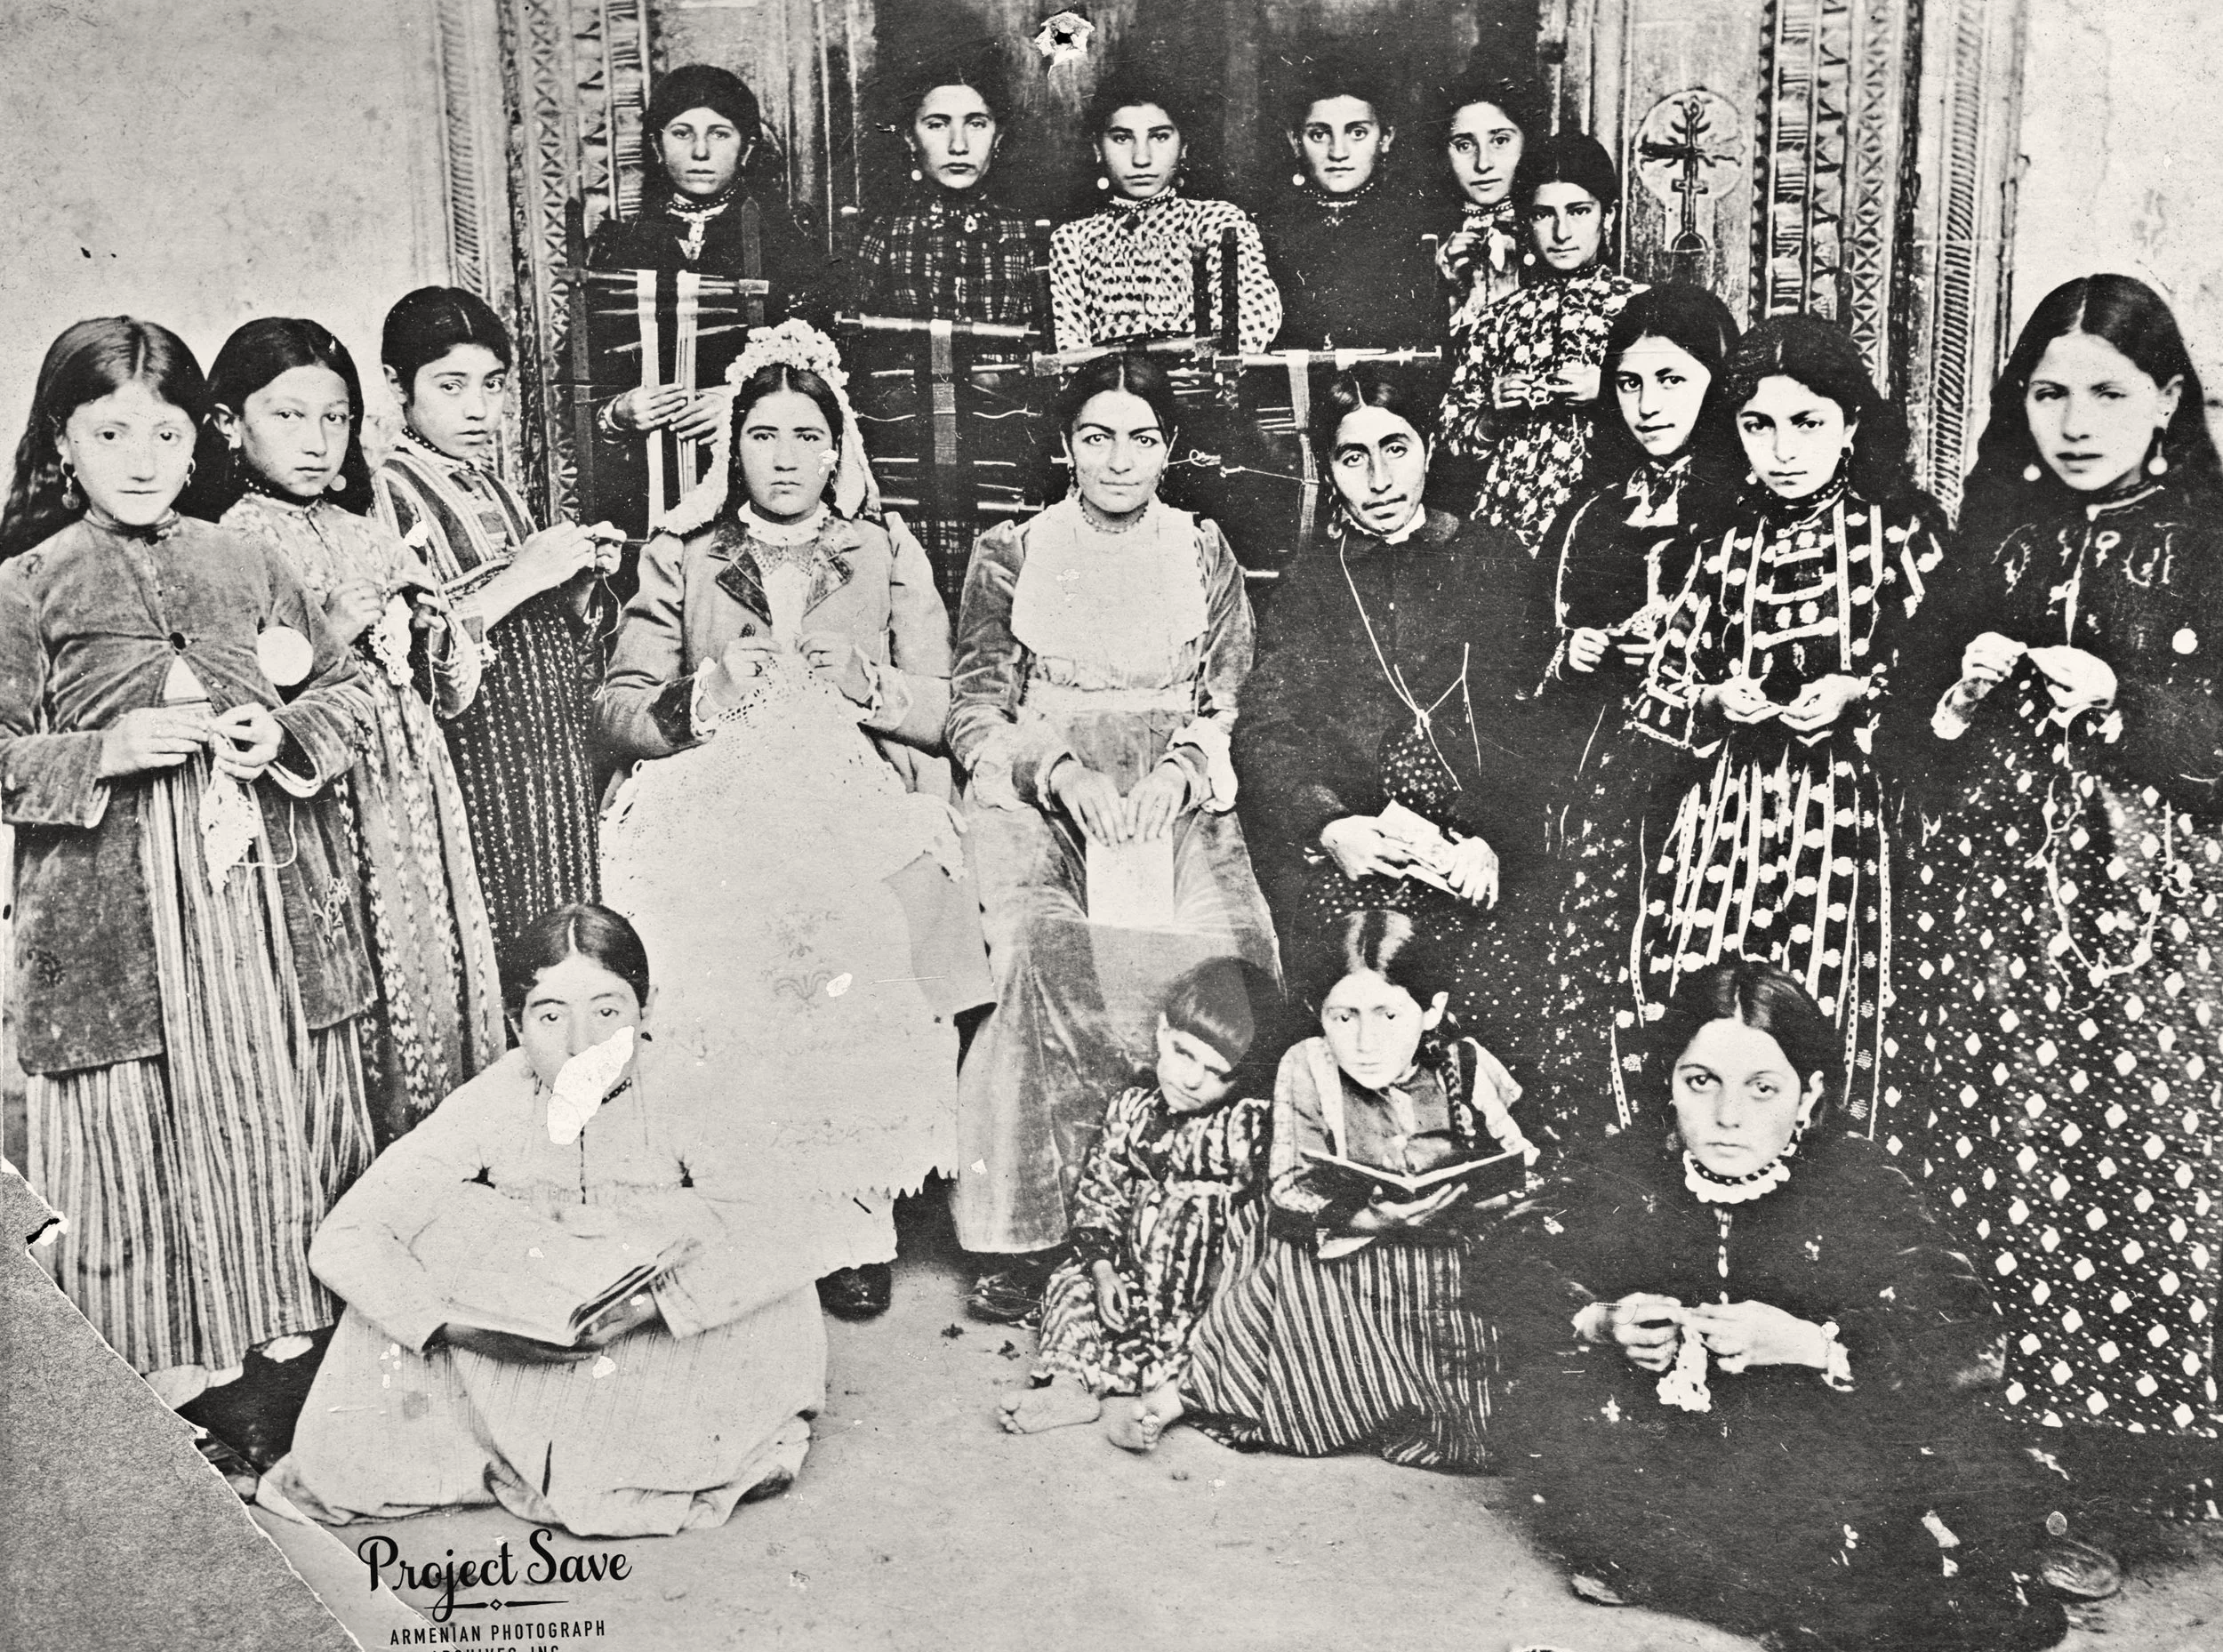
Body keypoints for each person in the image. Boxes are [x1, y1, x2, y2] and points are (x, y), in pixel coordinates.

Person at [0, 318, 376, 1432]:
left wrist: (284, 733)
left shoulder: (245, 560)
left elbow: (349, 691)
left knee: (278, 1114)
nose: (141, 459)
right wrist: (99, 752)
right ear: (62, 441)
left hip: (261, 906)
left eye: (166, 434)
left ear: (197, 441)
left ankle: (285, 1365)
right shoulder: (27, 585)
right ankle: (162, 1395)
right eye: (110, 432)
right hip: (113, 925)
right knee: (133, 1140)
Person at [1479, 958, 2075, 1652]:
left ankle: (1763, 1579)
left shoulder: (1855, 1178)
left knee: (1886, 1502)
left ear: (1809, 1094)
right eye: (1700, 1082)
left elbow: (1968, 1338)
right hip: (1665, 1451)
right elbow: (1503, 1260)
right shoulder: (1630, 1163)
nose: (1727, 1117)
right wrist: (1602, 1321)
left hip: (1808, 1451)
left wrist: (1811, 1345)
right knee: (1579, 1447)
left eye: (1762, 1088)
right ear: (1669, 1082)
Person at [1894, 274, 2223, 1513]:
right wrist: (1957, 693)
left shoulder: (2209, 540)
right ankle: (1991, 1456)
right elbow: (1908, 738)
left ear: (2168, 400)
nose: (2074, 423)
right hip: (1989, 911)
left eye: (2106, 393)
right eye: (2047, 393)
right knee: (1991, 1149)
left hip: (2152, 922)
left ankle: (2126, 1470)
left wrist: (2129, 706)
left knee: (2131, 1152)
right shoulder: (1998, 534)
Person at [598, 320, 989, 1322]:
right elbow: (616, 707)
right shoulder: (684, 553)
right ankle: (737, 1208)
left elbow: (950, 706)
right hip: (712, 785)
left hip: (847, 785)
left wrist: (870, 685)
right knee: (717, 926)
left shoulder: (881, 548)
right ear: (733, 447)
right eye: (763, 435)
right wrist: (705, 692)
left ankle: (852, 1219)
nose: (784, 458)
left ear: (836, 446)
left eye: (806, 437)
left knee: (858, 927)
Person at [257, 905, 830, 1538]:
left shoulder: (691, 1091)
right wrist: (451, 1328)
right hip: (540, 1342)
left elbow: (792, 1229)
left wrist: (652, 1305)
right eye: (551, 1016)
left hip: (664, 1334)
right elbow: (350, 1234)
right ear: (516, 1023)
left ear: (647, 1009)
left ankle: (650, 1450)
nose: (581, 1044)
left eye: (608, 1012)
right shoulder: (497, 1097)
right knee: (440, 1225)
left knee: (743, 1240)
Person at [948, 351, 1279, 1323]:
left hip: (1174, 787)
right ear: (1066, 445)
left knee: (1236, 949)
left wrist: (1182, 769)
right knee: (1036, 951)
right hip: (1041, 792)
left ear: (1170, 448)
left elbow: (1227, 695)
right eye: (1097, 438)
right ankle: (1031, 1230)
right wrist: (1056, 771)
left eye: (1141, 440)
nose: (1119, 461)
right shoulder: (1013, 550)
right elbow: (975, 710)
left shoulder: (1202, 549)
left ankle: (1205, 1216)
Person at [187, 317, 505, 1147]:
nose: (316, 441)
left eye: (335, 418)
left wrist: (435, 631)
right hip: (322, 790)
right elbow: (232, 695)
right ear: (228, 423)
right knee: (351, 952)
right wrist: (328, 627)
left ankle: (450, 1151)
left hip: (411, 779)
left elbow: (450, 692)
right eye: (288, 416)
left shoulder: (369, 531)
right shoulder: (227, 543)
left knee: (427, 942)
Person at [1622, 314, 1946, 1128]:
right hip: (1728, 823)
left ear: (1851, 425)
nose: (1783, 450)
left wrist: (1858, 693)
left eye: (1807, 423)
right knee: (1708, 998)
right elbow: (1658, 692)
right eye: (1758, 426)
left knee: (1834, 1005)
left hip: (1854, 823)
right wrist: (1713, 700)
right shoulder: (1722, 545)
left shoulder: (1900, 535)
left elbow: (1944, 687)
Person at [1233, 363, 1554, 1084]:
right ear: (1329, 470)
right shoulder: (1313, 582)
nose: (1379, 480)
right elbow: (1267, 728)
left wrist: (1493, 838)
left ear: (1429, 449)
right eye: (1354, 458)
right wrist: (1330, 826)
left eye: (1396, 449)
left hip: (1479, 848)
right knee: (1355, 996)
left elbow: (1538, 721)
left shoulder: (1493, 558)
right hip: (1365, 851)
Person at [1134, 910, 1537, 1465]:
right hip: (1343, 1244)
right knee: (1287, 1263)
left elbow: (1518, 1164)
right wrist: (1374, 1219)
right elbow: (1287, 1188)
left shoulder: (1463, 1064)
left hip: (1445, 1253)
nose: (1366, 1042)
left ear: (1432, 1010)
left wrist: (1484, 1195)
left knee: (1492, 1320)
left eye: (1389, 1015)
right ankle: (1202, 1393)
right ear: (1319, 1014)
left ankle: (1391, 1397)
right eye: (1343, 1017)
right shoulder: (1307, 1064)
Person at [1529, 284, 1741, 1148]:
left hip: (1710, 785)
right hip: (1598, 778)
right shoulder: (1588, 515)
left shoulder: (1748, 509)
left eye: (1672, 381)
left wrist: (1690, 657)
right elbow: (1527, 656)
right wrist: (1571, 650)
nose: (1648, 406)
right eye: (1628, 384)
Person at [372, 286, 618, 953]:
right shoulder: (386, 492)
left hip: (545, 745)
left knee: (563, 916)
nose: (479, 409)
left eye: (493, 384)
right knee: (503, 922)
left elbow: (538, 626)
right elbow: (403, 654)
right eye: (451, 385)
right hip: (476, 755)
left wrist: (575, 585)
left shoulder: (496, 486)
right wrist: (525, 576)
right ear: (397, 384)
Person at [998, 957, 1277, 1439]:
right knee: (1069, 1286)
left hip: (1201, 1305)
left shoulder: (1246, 1125)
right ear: (1163, 1031)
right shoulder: (1131, 1109)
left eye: (1217, 1073)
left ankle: (1159, 1410)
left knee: (1236, 1338)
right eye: (1183, 1053)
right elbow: (1100, 1193)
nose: (1192, 1080)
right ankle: (1067, 1388)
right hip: (1130, 1291)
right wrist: (1103, 1270)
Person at [587, 64, 833, 535]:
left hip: (757, 479)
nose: (700, 152)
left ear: (747, 148)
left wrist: (743, 402)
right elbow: (588, 377)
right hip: (645, 482)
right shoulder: (619, 246)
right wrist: (619, 412)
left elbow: (824, 372)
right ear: (656, 146)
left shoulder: (787, 241)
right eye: (682, 133)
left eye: (719, 134)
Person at [845, 38, 1047, 605]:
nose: (959, 144)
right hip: (905, 457)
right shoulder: (882, 235)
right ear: (910, 138)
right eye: (937, 125)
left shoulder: (1027, 236)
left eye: (976, 124)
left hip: (1005, 454)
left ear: (998, 137)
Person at [1439, 131, 1643, 550]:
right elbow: (1449, 441)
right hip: (1505, 527)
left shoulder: (1644, 310)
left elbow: (1690, 420)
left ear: (1609, 215)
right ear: (1525, 221)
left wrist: (1609, 391)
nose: (1562, 232)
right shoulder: (1497, 320)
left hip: (1609, 521)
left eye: (1579, 211)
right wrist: (1491, 417)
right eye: (1543, 215)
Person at [1046, 71, 1281, 354]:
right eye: (1122, 138)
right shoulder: (1074, 239)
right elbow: (1065, 343)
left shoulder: (1215, 222)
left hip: (1200, 379)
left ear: (1184, 148)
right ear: (1097, 148)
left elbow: (1251, 318)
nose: (1141, 158)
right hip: (1104, 380)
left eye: (1159, 137)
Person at [1255, 60, 1441, 350]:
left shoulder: (1417, 225)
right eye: (1319, 135)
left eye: (1357, 133)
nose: (1338, 152)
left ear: (1386, 138)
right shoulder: (1265, 229)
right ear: (1294, 141)